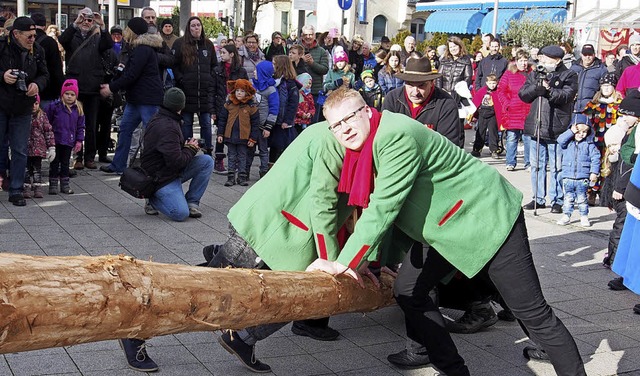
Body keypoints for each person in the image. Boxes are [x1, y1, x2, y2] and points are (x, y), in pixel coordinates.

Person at [307, 87, 586, 376]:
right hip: (444, 225)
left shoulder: (394, 135)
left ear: (366, 111)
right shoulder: (362, 149)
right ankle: (453, 370)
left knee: (532, 312)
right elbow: (386, 214)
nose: (344, 129)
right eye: (336, 125)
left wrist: (344, 263)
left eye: (349, 118)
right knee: (408, 290)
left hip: (487, 216)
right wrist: (367, 260)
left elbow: (383, 207)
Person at [204, 118, 349, 373]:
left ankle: (241, 338)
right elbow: (323, 200)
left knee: (288, 295)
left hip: (276, 225)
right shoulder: (336, 141)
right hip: (271, 228)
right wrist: (328, 255)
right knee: (209, 289)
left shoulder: (327, 129)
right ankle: (145, 313)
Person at [98, 17, 163, 174]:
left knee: (151, 134)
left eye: (127, 29)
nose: (125, 32)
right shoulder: (137, 48)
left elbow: (132, 74)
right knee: (125, 129)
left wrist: (111, 88)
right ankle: (118, 165)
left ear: (132, 31)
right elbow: (127, 72)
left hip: (147, 99)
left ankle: (153, 166)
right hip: (136, 99)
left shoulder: (143, 49)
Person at [138, 87, 213, 220]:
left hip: (167, 170)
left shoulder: (165, 117)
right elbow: (176, 162)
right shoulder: (168, 127)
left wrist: (186, 146)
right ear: (181, 106)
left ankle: (192, 202)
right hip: (159, 178)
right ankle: (152, 197)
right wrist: (190, 149)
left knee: (206, 161)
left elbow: (171, 152)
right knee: (179, 213)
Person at [519, 45, 578, 213]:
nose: (541, 60)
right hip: (536, 124)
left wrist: (548, 91)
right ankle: (537, 198)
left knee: (557, 166)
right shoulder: (535, 73)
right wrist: (535, 89)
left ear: (556, 60)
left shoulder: (569, 75)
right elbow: (523, 94)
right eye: (541, 57)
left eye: (545, 58)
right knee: (537, 165)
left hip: (556, 126)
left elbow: (566, 96)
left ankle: (557, 200)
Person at [0, 16, 49, 206]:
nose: (32, 39)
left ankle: (17, 189)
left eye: (34, 35)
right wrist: (3, 76)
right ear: (16, 34)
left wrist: (37, 84)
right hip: (2, 104)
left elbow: (46, 74)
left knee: (20, 149)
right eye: (28, 36)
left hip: (23, 106)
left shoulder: (37, 50)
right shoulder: (2, 47)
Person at [59, 7, 113, 170]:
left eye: (89, 20)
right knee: (73, 123)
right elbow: (62, 40)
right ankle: (77, 157)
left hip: (93, 86)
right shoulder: (72, 35)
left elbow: (108, 45)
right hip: (75, 86)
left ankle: (90, 156)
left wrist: (102, 26)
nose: (86, 22)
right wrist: (75, 23)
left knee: (91, 124)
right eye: (84, 19)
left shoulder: (97, 36)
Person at [382, 56, 460, 146]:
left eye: (421, 86)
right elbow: (384, 137)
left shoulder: (446, 104)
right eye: (410, 85)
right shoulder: (392, 99)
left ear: (431, 83)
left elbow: (449, 145)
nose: (415, 92)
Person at [604, 91, 639, 288]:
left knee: (627, 232)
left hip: (632, 187)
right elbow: (626, 155)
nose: (623, 117)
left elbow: (629, 161)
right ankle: (624, 272)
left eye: (628, 113)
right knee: (628, 234)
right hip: (631, 187)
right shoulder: (630, 130)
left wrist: (620, 187)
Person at [171, 16, 217, 157]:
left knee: (206, 124)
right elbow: (174, 64)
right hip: (186, 91)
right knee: (187, 123)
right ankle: (187, 150)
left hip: (204, 91)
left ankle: (207, 150)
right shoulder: (179, 44)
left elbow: (214, 65)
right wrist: (181, 79)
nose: (196, 28)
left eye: (198, 25)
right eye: (193, 25)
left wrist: (209, 79)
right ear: (188, 28)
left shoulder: (208, 45)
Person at [601, 113, 636, 272]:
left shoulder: (631, 136)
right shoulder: (613, 160)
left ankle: (615, 259)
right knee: (621, 227)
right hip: (622, 193)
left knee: (622, 227)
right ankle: (614, 259)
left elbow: (626, 169)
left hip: (627, 192)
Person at [556, 114, 601, 226]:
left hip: (582, 178)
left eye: (584, 132)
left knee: (582, 199)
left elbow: (596, 158)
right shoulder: (567, 143)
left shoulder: (589, 144)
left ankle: (584, 216)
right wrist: (571, 132)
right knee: (568, 198)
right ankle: (566, 215)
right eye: (578, 131)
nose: (581, 134)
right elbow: (560, 140)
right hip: (568, 176)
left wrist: (594, 172)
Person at [213, 43, 249, 174]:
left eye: (223, 52)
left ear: (232, 54)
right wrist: (212, 110)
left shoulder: (241, 71)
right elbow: (212, 90)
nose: (221, 55)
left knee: (236, 131)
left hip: (237, 106)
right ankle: (219, 160)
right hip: (221, 105)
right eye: (220, 52)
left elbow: (246, 88)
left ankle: (237, 161)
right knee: (220, 133)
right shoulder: (217, 70)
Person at [216, 79, 260, 186]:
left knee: (242, 156)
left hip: (244, 137)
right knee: (231, 156)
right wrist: (220, 134)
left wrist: (253, 139)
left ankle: (242, 177)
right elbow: (222, 120)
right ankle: (231, 177)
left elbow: (255, 125)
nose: (239, 93)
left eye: (242, 91)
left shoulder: (251, 107)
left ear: (247, 93)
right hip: (230, 136)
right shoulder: (229, 105)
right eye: (237, 91)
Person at [46, 79, 85, 195]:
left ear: (76, 96)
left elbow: (81, 126)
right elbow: (47, 122)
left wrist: (79, 140)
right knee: (54, 162)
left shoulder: (78, 109)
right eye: (67, 94)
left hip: (69, 141)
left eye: (72, 94)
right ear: (62, 94)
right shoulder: (54, 107)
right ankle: (53, 184)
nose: (69, 97)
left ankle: (65, 184)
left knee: (65, 163)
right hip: (55, 140)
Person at [498, 49, 532, 171]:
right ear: (516, 61)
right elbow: (500, 90)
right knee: (512, 137)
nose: (523, 63)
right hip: (513, 111)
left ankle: (529, 163)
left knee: (528, 139)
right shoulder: (508, 74)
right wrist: (507, 104)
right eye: (521, 60)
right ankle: (510, 162)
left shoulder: (532, 73)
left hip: (528, 111)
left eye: (525, 60)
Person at [248, 60, 278, 179]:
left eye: (257, 70)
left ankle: (264, 171)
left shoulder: (271, 90)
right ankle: (245, 171)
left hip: (262, 125)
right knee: (249, 149)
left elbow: (274, 109)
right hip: (250, 125)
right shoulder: (251, 86)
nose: (254, 72)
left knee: (263, 150)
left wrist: (268, 127)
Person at [269, 55, 299, 164]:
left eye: (274, 64)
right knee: (273, 146)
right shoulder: (272, 80)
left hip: (283, 120)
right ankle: (271, 166)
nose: (272, 66)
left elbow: (293, 104)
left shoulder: (290, 84)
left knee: (281, 145)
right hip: (273, 118)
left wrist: (287, 120)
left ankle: (282, 166)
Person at [30, 13, 64, 110]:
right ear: (45, 26)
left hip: (29, 90)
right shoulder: (50, 42)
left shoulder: (24, 39)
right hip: (48, 91)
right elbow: (57, 68)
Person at [24, 95, 55, 199]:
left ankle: (37, 187)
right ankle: (26, 187)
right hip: (26, 148)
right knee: (26, 169)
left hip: (38, 149)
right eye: (31, 103)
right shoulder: (24, 116)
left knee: (37, 169)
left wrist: (51, 147)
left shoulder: (42, 116)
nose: (34, 106)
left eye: (36, 103)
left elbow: (48, 131)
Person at [300, 25, 329, 123]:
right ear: (302, 35)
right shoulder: (296, 49)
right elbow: (290, 68)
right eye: (306, 34)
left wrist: (312, 64)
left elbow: (325, 69)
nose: (308, 37)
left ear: (314, 36)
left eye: (310, 35)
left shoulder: (321, 51)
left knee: (313, 121)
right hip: (299, 92)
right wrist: (300, 62)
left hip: (315, 92)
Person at [471, 74, 504, 158]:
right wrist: (472, 114)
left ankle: (494, 150)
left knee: (493, 133)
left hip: (493, 114)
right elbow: (475, 102)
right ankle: (477, 149)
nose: (492, 85)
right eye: (490, 83)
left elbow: (500, 105)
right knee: (480, 132)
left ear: (497, 83)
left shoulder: (498, 92)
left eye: (494, 83)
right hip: (482, 113)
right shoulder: (482, 91)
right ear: (486, 83)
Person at [571, 43, 608, 113]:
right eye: (585, 55)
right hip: (573, 107)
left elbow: (604, 89)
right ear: (581, 55)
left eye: (590, 55)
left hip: (592, 108)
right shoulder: (573, 68)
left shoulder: (601, 69)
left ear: (594, 55)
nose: (587, 57)